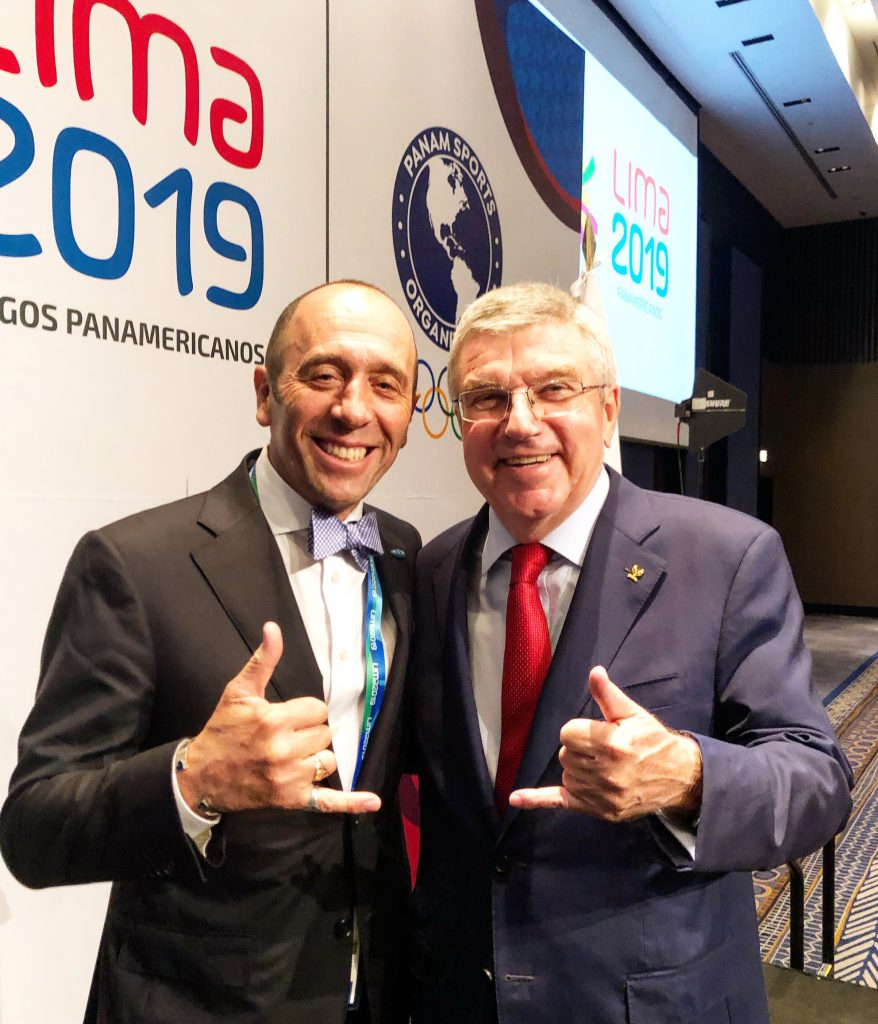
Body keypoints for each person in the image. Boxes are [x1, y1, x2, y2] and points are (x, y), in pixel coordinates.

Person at [410, 281, 852, 1024]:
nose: (520, 423)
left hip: (648, 1003)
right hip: (462, 995)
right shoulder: (433, 570)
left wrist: (687, 776)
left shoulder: (726, 557)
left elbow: (818, 779)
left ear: (607, 406)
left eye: (554, 388)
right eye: (486, 398)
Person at [1, 280, 421, 1024]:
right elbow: (33, 829)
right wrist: (192, 781)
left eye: (385, 384)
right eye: (323, 374)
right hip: (197, 1005)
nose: (354, 408)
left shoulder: (403, 551)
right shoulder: (135, 563)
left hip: (371, 998)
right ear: (266, 394)